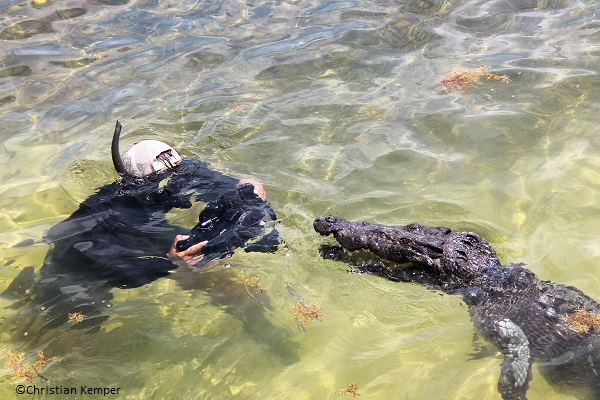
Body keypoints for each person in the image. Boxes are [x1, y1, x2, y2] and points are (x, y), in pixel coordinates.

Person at [4, 121, 279, 335]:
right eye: (162, 184)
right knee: (70, 328)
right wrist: (168, 262)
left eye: (177, 176)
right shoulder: (109, 211)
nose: (173, 187)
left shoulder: (176, 174)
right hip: (76, 273)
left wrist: (247, 187)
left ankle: (266, 327)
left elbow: (222, 184)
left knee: (213, 269)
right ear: (138, 185)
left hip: (139, 235)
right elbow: (115, 272)